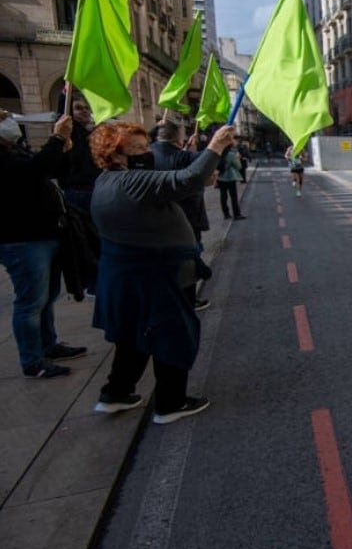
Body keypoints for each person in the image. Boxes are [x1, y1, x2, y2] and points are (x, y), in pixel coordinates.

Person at [89, 121, 235, 423]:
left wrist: (200, 179)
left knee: (132, 339)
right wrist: (216, 146)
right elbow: (187, 179)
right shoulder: (130, 181)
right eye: (138, 149)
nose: (147, 153)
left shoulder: (106, 181)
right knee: (171, 335)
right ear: (115, 154)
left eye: (147, 147)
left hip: (129, 276)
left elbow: (170, 189)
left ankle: (115, 394)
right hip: (154, 277)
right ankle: (171, 403)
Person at [0, 109, 88, 378]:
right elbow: (31, 172)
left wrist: (63, 149)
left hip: (44, 233)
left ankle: (48, 345)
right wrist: (56, 140)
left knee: (48, 296)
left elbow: (49, 171)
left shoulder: (16, 149)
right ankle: (32, 361)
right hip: (22, 240)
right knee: (31, 301)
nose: (7, 117)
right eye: (1, 116)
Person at [151, 120, 211, 311]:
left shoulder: (148, 153)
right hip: (186, 216)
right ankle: (189, 300)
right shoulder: (180, 157)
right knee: (188, 258)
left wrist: (187, 152)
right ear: (177, 137)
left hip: (157, 217)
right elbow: (206, 164)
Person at [56, 94, 99, 295]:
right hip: (78, 194)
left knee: (97, 238)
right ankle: (92, 282)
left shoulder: (85, 134)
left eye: (86, 108)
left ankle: (97, 279)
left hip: (92, 191)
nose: (85, 111)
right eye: (78, 108)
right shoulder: (66, 138)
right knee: (87, 240)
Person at [217, 142, 245, 219]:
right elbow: (238, 166)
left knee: (223, 196)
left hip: (220, 177)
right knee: (233, 197)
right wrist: (238, 158)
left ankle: (226, 214)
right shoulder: (231, 155)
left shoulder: (219, 153)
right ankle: (236, 214)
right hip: (230, 178)